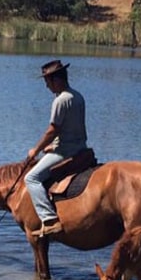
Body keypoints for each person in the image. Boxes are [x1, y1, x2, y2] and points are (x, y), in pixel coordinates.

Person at [23, 59, 87, 238]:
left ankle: (50, 219)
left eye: (47, 82)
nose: (47, 87)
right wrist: (53, 145)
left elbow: (53, 130)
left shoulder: (60, 100)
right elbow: (72, 127)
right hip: (80, 147)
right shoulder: (78, 96)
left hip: (66, 151)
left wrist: (35, 150)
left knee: (31, 178)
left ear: (56, 80)